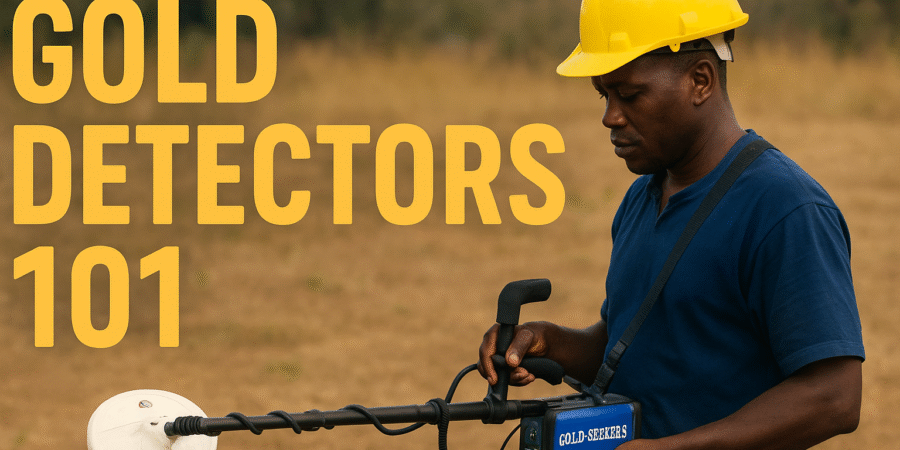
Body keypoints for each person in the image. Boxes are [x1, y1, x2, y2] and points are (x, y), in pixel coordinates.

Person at [477, 1, 865, 448]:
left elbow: (835, 396)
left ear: (700, 80)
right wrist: (551, 341)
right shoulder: (642, 197)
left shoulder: (784, 209)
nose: (610, 117)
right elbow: (641, 343)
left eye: (630, 95)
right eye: (604, 95)